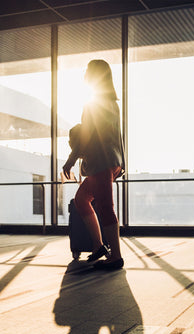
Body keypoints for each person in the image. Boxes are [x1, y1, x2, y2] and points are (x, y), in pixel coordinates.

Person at [63, 59, 125, 270]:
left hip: (100, 161)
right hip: (111, 160)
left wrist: (71, 159)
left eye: (88, 71)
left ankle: (115, 256)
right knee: (81, 199)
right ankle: (99, 247)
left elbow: (86, 137)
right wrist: (121, 163)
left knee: (106, 207)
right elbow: (118, 136)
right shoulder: (113, 104)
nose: (84, 74)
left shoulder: (93, 104)